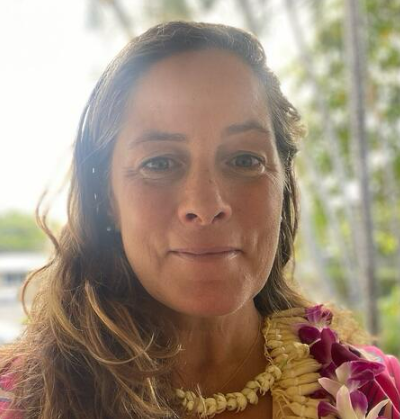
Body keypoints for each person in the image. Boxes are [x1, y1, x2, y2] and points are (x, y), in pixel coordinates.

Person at [0, 21, 399, 419]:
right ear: (106, 198)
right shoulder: (20, 401)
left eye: (245, 160)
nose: (207, 205)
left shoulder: (378, 390)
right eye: (159, 163)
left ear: (284, 184)